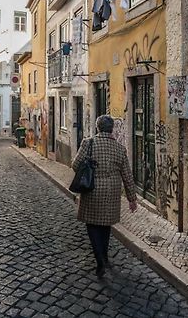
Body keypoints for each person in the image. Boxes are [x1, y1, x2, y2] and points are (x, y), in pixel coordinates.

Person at [72, 115, 137, 278]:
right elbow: (127, 175)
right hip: (112, 192)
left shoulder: (88, 143)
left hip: (92, 189)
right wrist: (132, 199)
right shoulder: (120, 148)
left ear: (97, 128)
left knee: (92, 224)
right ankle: (105, 257)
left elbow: (75, 165)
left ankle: (99, 258)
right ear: (112, 128)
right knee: (106, 224)